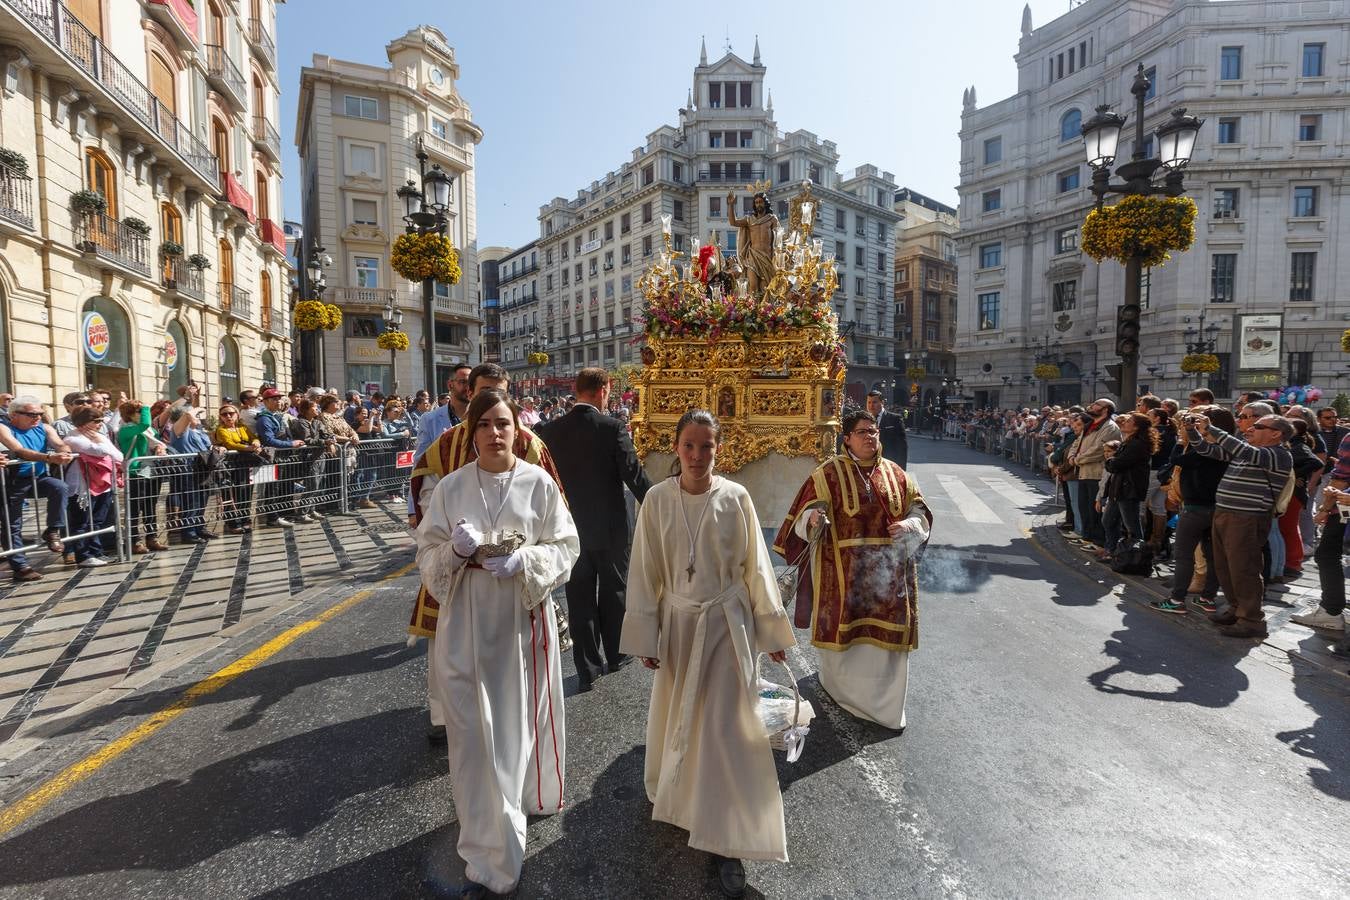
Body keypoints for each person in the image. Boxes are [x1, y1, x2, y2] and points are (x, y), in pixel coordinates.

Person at [621, 409, 796, 896]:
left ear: (719, 449)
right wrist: (644, 635)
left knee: (726, 727)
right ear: (675, 448)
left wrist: (771, 631)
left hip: (726, 625)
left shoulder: (736, 497)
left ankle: (729, 837)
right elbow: (645, 570)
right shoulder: (656, 499)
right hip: (678, 625)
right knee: (684, 714)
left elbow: (756, 569)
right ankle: (683, 797)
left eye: (707, 446)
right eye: (689, 446)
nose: (697, 456)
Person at [415, 390, 578, 898]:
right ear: (471, 431)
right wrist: (453, 552)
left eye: (502, 423)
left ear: (516, 429)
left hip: (519, 627)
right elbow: (426, 553)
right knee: (471, 738)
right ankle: (486, 839)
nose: (493, 432)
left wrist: (525, 563)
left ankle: (504, 834)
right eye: (483, 424)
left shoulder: (538, 484)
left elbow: (565, 546)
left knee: (509, 734)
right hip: (463, 627)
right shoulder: (451, 488)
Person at [409, 363, 564, 739]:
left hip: (511, 577)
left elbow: (554, 515)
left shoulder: (529, 444)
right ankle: (448, 717)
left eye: (498, 390)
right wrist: (451, 536)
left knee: (515, 680)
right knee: (451, 651)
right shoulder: (445, 444)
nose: (493, 432)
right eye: (482, 390)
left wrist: (527, 558)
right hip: (462, 573)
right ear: (469, 392)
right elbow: (428, 490)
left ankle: (515, 724)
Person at [774, 408, 932, 730]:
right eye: (863, 432)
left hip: (889, 579)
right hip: (842, 576)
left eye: (873, 432)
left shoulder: (897, 474)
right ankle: (841, 691)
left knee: (885, 642)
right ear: (847, 439)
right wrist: (813, 521)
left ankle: (885, 708)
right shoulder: (827, 474)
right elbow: (802, 517)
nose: (870, 437)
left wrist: (911, 525)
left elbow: (920, 510)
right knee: (848, 639)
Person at [538, 368, 652, 692]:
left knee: (579, 595)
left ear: (577, 390)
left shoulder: (550, 431)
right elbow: (635, 477)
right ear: (604, 389)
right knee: (615, 591)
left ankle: (587, 667)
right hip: (612, 527)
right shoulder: (613, 428)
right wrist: (663, 504)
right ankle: (616, 655)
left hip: (569, 529)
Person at [1189, 410, 1294, 639]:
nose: (1250, 428)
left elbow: (1242, 449)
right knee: (1225, 566)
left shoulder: (1278, 454)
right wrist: (1191, 431)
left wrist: (1211, 429)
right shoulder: (1249, 452)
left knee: (1243, 568)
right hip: (1226, 513)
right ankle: (1236, 608)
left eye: (1258, 426)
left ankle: (1251, 620)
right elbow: (1208, 450)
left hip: (1247, 517)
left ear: (1276, 434)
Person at [1150, 407, 1233, 615]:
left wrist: (1181, 440)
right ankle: (1207, 598)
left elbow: (1177, 460)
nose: (1194, 426)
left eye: (1199, 422)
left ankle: (1177, 600)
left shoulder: (1205, 447)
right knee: (1212, 555)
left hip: (1196, 507)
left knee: (1184, 555)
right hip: (1215, 506)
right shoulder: (1229, 444)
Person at [1292, 430, 1350, 633]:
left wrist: (1325, 508)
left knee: (1327, 554)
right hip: (1343, 507)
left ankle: (1331, 611)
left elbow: (1341, 478)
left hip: (1343, 508)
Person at [61, 406, 123, 567]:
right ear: (83, 422)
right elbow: (101, 451)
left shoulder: (100, 435)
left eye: (101, 420)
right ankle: (83, 555)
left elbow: (118, 455)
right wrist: (99, 441)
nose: (100, 424)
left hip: (102, 484)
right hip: (80, 487)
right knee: (81, 522)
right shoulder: (72, 438)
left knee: (97, 520)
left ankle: (96, 552)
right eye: (96, 421)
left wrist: (99, 439)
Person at [1099, 412, 1157, 559]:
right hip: (1118, 488)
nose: (1124, 422)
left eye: (1129, 421)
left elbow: (1116, 464)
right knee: (1108, 521)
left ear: (1136, 426)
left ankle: (1136, 557)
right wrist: (1112, 461)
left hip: (1128, 490)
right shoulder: (1129, 441)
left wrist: (1110, 460)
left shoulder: (1137, 444)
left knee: (1132, 526)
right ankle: (1111, 550)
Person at [1065, 398, 1121, 547]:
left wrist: (1077, 460)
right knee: (1084, 507)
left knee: (1095, 509)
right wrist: (1071, 455)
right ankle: (1087, 536)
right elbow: (1077, 442)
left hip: (1097, 473)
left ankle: (1097, 540)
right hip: (1084, 472)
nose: (1092, 406)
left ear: (1105, 409)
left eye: (1097, 404)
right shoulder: (1090, 424)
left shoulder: (1110, 427)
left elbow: (1098, 450)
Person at [117, 401, 170, 553]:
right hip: (135, 472)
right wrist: (146, 406)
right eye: (138, 411)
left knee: (150, 506)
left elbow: (156, 441)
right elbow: (145, 424)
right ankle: (133, 540)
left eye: (142, 411)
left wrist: (160, 447)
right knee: (134, 508)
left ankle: (152, 538)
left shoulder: (148, 431)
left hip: (149, 469)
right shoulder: (126, 430)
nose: (142, 414)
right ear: (130, 415)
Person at [256, 387, 305, 528]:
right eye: (274, 399)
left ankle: (282, 514)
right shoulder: (264, 419)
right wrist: (291, 443)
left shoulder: (276, 416)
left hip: (283, 458)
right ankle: (272, 518)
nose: (278, 401)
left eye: (279, 398)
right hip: (271, 458)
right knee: (272, 489)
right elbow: (268, 440)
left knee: (282, 487)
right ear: (265, 402)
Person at [212, 404, 261, 534]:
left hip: (245, 464)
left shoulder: (242, 427)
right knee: (230, 492)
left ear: (237, 415)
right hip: (230, 465)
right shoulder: (221, 429)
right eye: (224, 414)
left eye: (231, 413)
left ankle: (245, 519)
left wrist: (256, 443)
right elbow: (229, 444)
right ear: (221, 417)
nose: (228, 416)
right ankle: (232, 522)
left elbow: (254, 437)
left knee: (246, 491)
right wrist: (247, 448)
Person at [413, 364, 473, 467]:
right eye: (463, 382)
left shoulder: (484, 418)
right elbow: (420, 463)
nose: (469, 387)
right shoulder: (429, 420)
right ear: (450, 385)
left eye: (472, 383)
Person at [288, 399, 336, 523]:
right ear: (306, 410)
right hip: (309, 457)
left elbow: (326, 434)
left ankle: (311, 509)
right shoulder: (301, 423)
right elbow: (307, 439)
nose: (317, 410)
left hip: (320, 456)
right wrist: (325, 442)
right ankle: (302, 513)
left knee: (318, 484)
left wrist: (330, 441)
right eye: (314, 408)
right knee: (312, 484)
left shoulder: (317, 422)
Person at [726, 190, 778, 295]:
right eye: (756, 202)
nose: (758, 204)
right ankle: (751, 309)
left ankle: (764, 310)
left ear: (765, 203)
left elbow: (779, 237)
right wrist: (731, 205)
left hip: (767, 258)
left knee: (765, 288)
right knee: (752, 285)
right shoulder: (749, 220)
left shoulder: (772, 219)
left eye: (761, 202)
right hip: (753, 256)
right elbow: (733, 222)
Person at [866, 389, 908, 470]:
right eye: (869, 402)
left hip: (888, 466)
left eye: (874, 402)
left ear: (882, 403)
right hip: (869, 467)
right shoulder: (863, 420)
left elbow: (902, 447)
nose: (871, 406)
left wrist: (901, 470)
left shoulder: (895, 419)